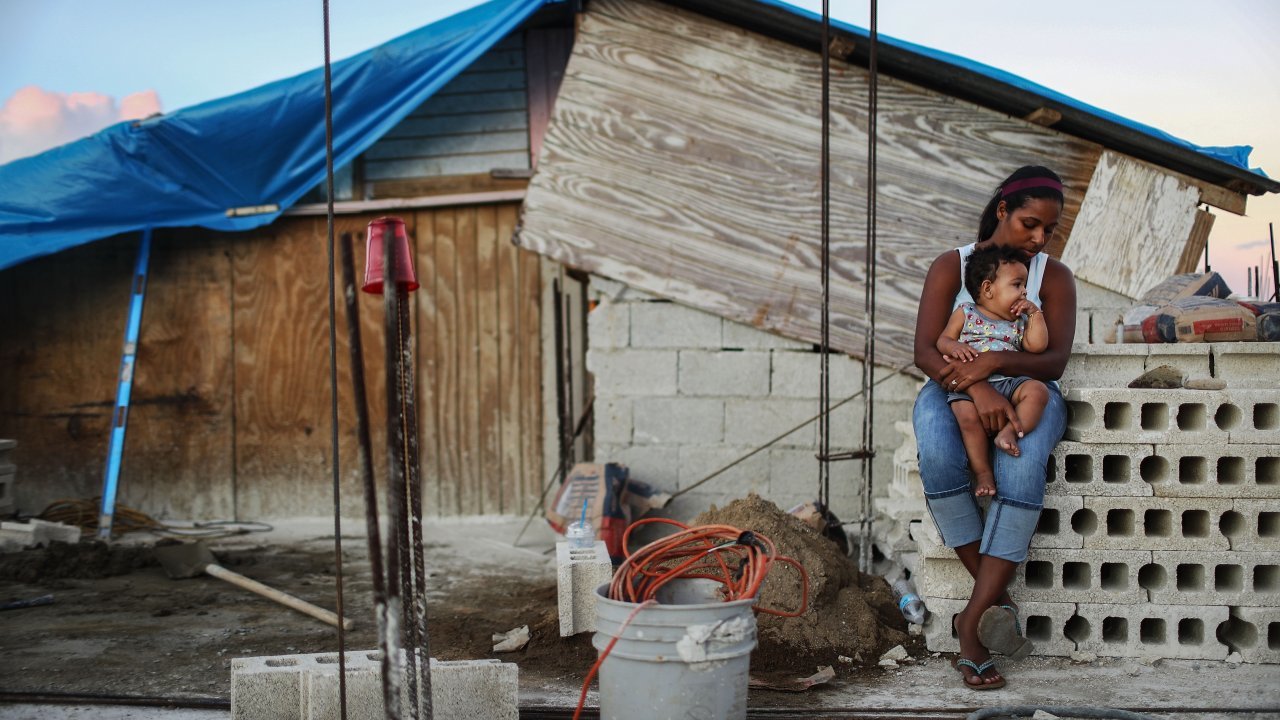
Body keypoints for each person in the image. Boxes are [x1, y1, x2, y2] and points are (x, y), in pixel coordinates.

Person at [912, 165, 1075, 690]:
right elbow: (924, 349)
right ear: (1002, 209)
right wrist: (975, 386)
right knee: (939, 451)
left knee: (1022, 468)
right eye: (1029, 224)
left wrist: (995, 364)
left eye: (1047, 231)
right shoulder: (951, 266)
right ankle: (997, 601)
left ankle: (972, 630)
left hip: (1030, 390)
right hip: (951, 386)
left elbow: (1053, 362)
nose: (1037, 239)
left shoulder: (1054, 277)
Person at [935, 243, 1050, 498]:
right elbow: (942, 340)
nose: (1024, 292)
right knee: (965, 416)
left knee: (1038, 391)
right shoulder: (966, 313)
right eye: (1017, 285)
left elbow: (1037, 345)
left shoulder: (1019, 321)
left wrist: (1035, 314)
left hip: (1010, 384)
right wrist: (954, 346)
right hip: (972, 385)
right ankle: (983, 472)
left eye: (1024, 286)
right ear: (988, 288)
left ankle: (1010, 431)